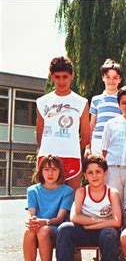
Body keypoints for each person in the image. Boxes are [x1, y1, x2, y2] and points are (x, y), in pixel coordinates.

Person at [50, 154, 122, 261]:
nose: (94, 176)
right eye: (90, 172)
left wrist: (92, 225)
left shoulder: (112, 193)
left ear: (105, 173)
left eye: (98, 172)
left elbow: (117, 221)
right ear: (85, 175)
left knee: (110, 232)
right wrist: (99, 221)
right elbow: (74, 217)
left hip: (103, 233)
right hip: (84, 232)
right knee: (64, 228)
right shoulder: (81, 192)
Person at [17, 155, 74, 261]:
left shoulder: (67, 191)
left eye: (54, 169)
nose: (50, 173)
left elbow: (60, 218)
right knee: (28, 231)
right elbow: (32, 214)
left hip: (55, 229)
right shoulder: (32, 190)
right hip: (38, 226)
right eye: (46, 169)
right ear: (40, 171)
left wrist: (44, 222)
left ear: (60, 171)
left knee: (43, 230)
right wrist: (33, 221)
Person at [36, 56, 90, 191]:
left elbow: (85, 137)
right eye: (57, 77)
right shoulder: (42, 102)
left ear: (72, 76)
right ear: (51, 76)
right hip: (46, 158)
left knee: (72, 201)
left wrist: (69, 146)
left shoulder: (81, 102)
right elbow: (40, 136)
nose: (61, 81)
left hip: (71, 157)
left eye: (65, 76)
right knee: (47, 202)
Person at [86, 59, 123, 155]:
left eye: (115, 78)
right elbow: (92, 125)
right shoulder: (96, 99)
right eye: (108, 77)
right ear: (103, 78)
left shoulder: (123, 100)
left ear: (120, 79)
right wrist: (88, 147)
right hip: (97, 141)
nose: (111, 81)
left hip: (116, 141)